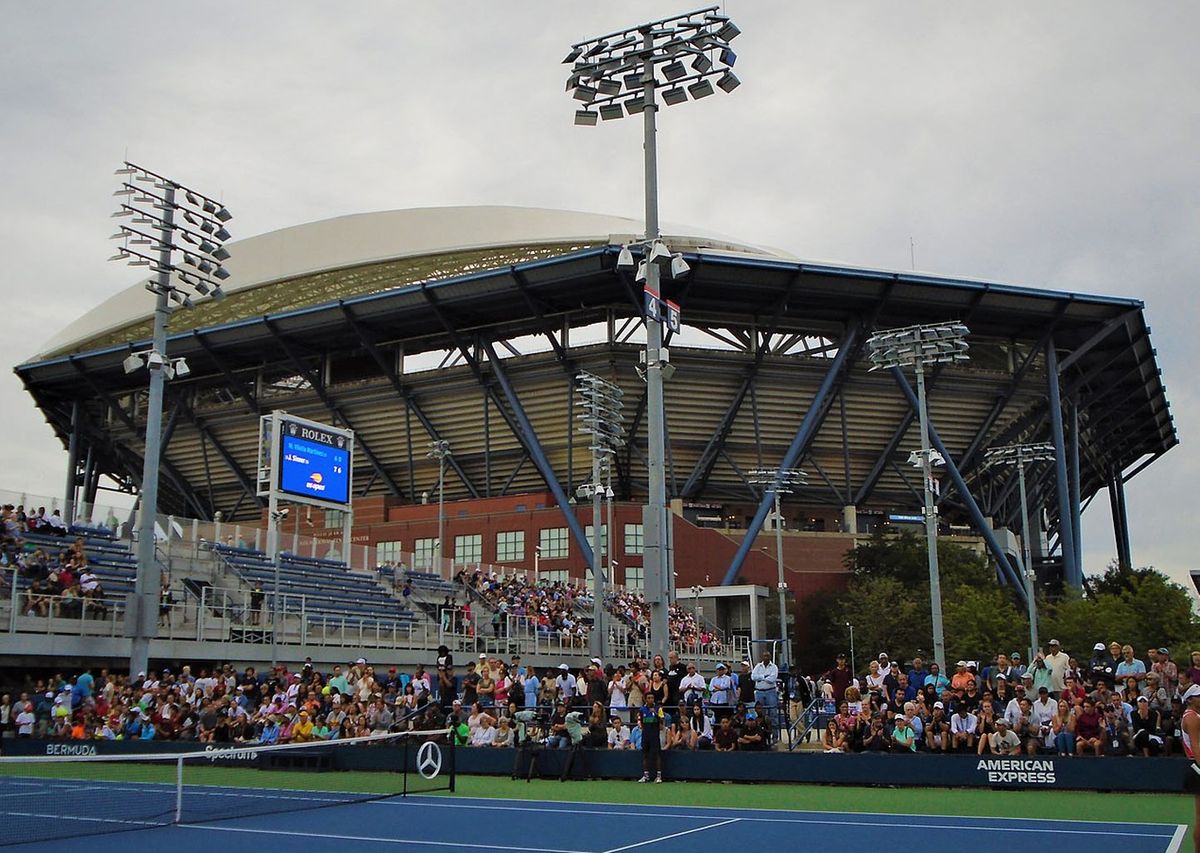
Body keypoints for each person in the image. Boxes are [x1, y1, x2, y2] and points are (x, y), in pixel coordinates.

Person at [637, 692, 664, 783]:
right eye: (648, 698)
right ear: (645, 699)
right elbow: (640, 720)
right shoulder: (642, 709)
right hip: (645, 734)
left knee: (657, 755)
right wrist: (640, 725)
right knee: (645, 754)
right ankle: (646, 775)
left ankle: (659, 776)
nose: (650, 699)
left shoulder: (658, 708)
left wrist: (655, 713)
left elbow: (661, 721)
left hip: (654, 734)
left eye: (652, 698)